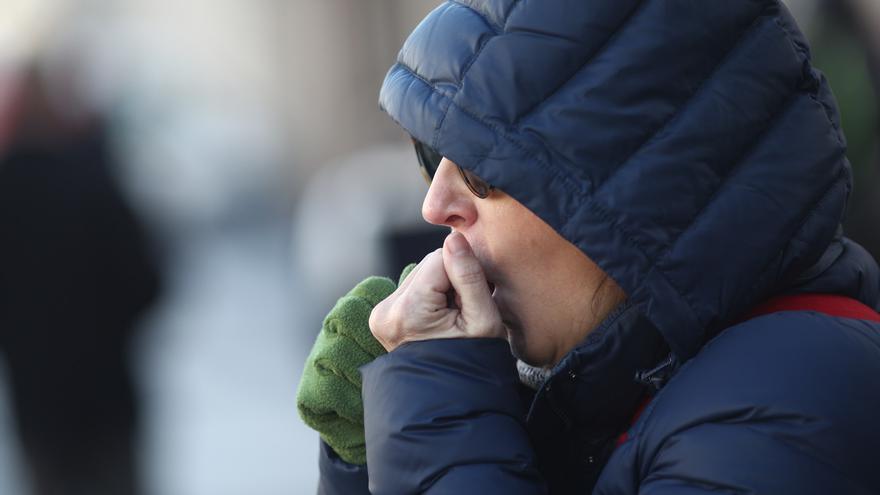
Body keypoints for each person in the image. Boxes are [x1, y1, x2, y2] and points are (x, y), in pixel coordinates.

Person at [298, 1, 880, 493]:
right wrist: (376, 450)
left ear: (638, 192)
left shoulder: (789, 398)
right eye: (433, 158)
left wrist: (436, 412)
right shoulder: (614, 392)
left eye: (483, 167)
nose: (435, 204)